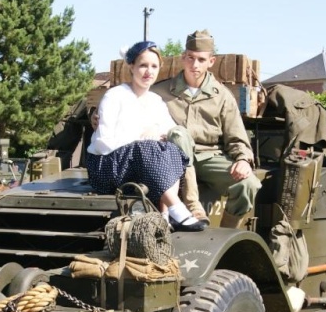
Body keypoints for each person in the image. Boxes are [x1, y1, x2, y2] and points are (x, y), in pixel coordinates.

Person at [86, 41, 206, 232]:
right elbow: (103, 143)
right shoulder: (114, 96)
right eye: (143, 65)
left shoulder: (155, 101)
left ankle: (165, 214)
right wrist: (141, 140)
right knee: (148, 147)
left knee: (172, 149)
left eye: (154, 66)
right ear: (131, 66)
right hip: (106, 167)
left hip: (139, 167)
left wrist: (157, 136)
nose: (148, 71)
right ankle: (178, 210)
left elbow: (170, 130)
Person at [152, 30, 262, 229]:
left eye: (201, 60)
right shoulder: (160, 91)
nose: (195, 65)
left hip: (209, 157)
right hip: (173, 160)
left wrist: (243, 160)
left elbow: (236, 136)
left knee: (249, 185)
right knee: (179, 134)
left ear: (211, 61)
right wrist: (95, 117)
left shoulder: (222, 96)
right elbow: (130, 104)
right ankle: (193, 206)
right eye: (190, 58)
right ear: (183, 58)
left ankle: (226, 234)